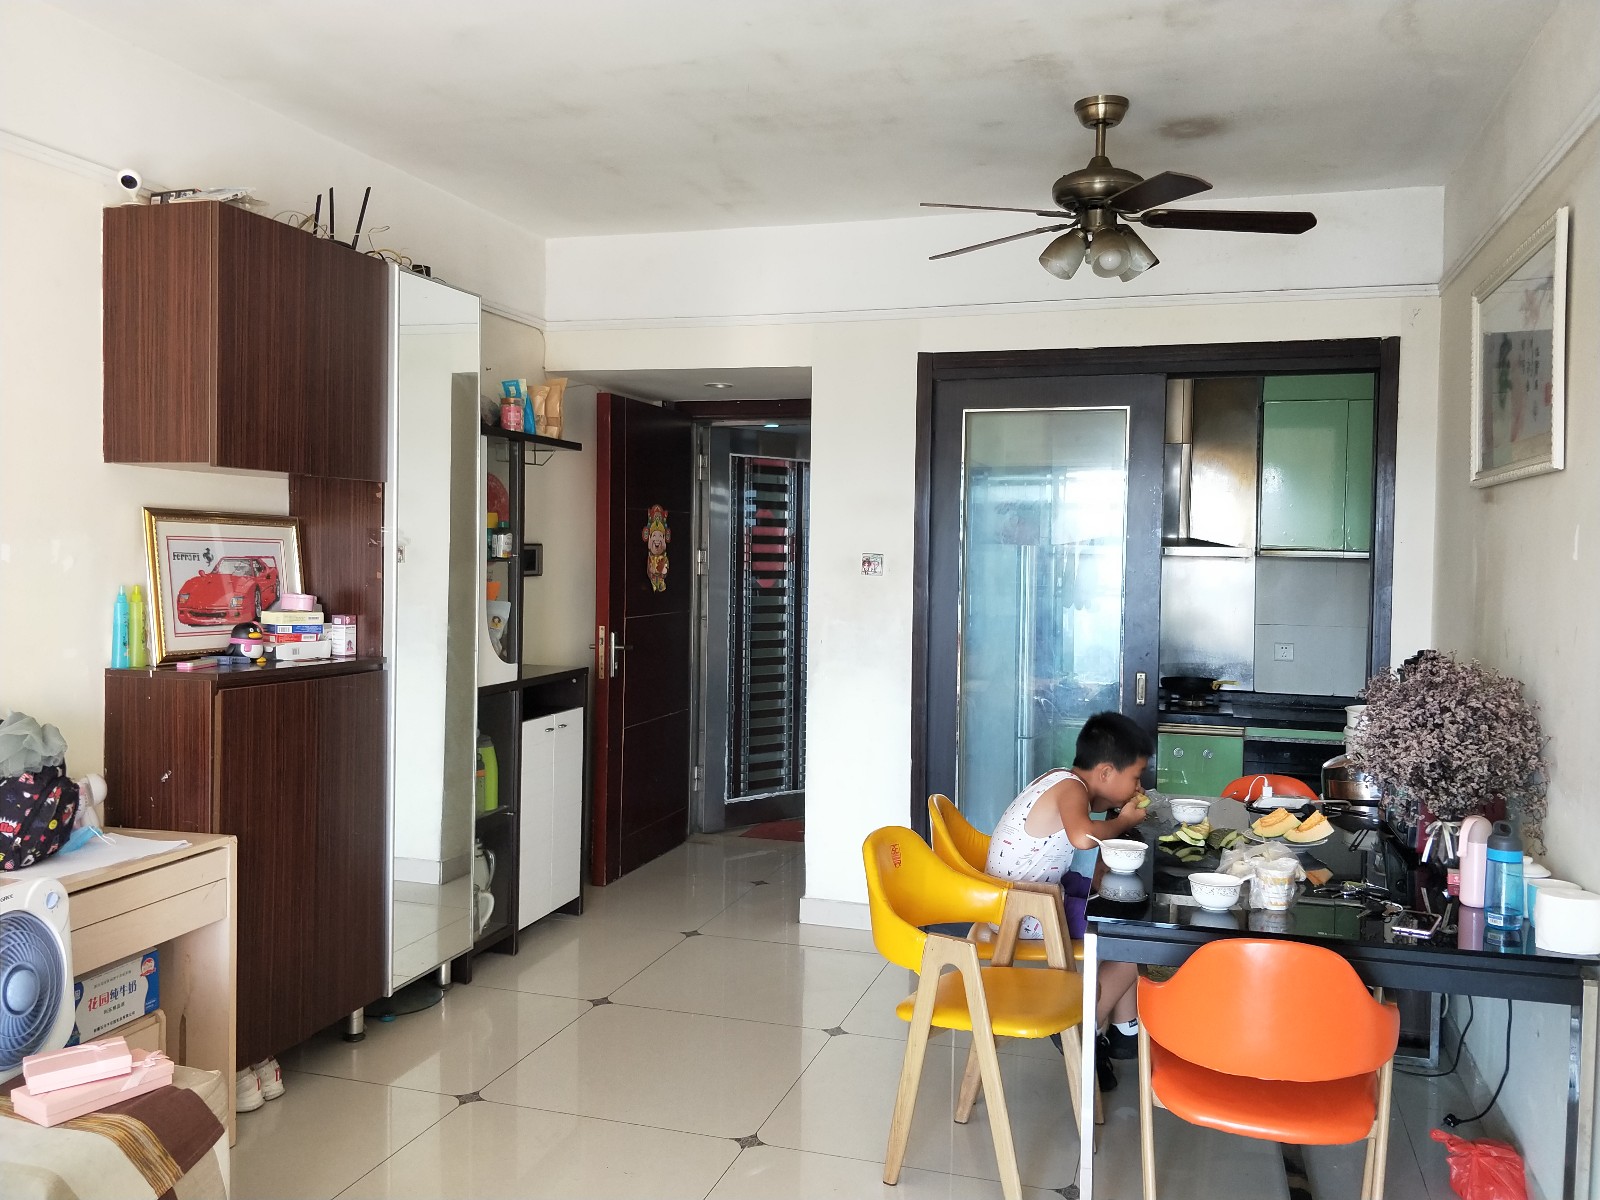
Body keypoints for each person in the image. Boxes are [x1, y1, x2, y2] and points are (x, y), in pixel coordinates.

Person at [984, 711, 1153, 1090]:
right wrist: (1124, 822)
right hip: (1026, 911)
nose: (1139, 786)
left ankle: (1124, 1031)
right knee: (1132, 935)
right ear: (1106, 772)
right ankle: (1083, 1024)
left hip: (1019, 897)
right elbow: (1082, 837)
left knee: (1117, 902)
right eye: (1136, 777)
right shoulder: (1072, 790)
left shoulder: (1061, 779)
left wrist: (1115, 814)